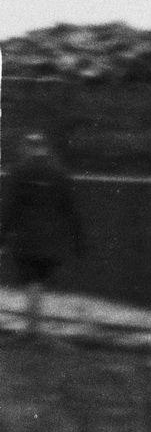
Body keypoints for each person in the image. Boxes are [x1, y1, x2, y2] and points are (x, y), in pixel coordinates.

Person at [2, 132, 85, 338]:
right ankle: (34, 326)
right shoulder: (59, 173)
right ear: (45, 148)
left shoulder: (20, 172)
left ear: (27, 148)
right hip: (51, 237)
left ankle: (32, 327)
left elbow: (10, 207)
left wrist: (2, 237)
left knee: (30, 280)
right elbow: (71, 209)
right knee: (39, 279)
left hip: (26, 236)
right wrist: (79, 240)